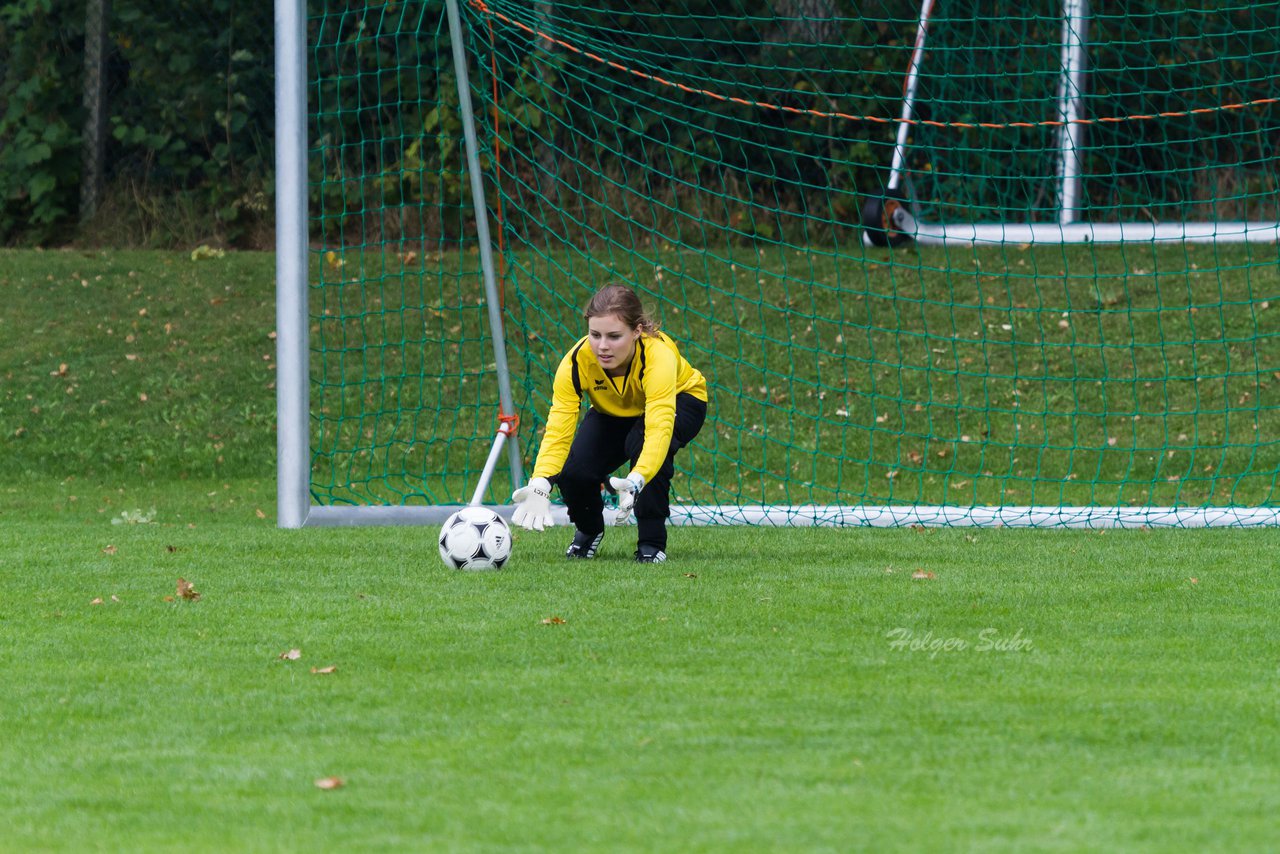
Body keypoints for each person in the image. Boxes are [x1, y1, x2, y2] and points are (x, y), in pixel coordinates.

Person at [510, 284, 708, 562]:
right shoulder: (576, 362)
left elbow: (659, 425)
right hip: (615, 411)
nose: (602, 346)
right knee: (573, 472)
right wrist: (541, 480)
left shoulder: (658, 355)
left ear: (637, 331)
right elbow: (559, 427)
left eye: (614, 336)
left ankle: (651, 544)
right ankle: (588, 531)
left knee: (642, 445)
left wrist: (638, 478)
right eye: (595, 335)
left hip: (682, 400)